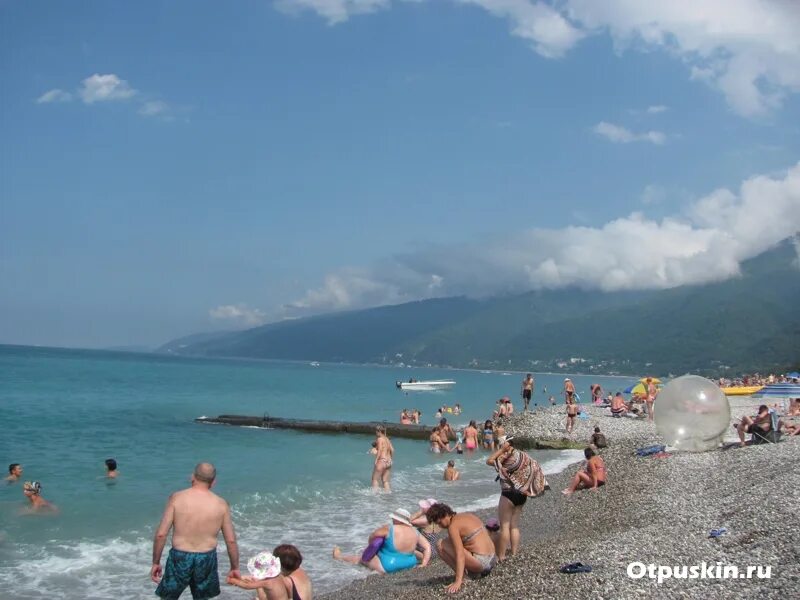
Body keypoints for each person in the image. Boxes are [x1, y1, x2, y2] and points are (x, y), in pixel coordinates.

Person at [151, 462, 240, 600]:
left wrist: (156, 562)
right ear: (213, 482)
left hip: (180, 557)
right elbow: (231, 540)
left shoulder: (177, 498)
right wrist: (235, 567)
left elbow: (161, 534)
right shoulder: (221, 504)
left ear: (192, 477)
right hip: (206, 558)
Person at [487, 436, 547, 560]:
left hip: (508, 494)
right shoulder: (524, 457)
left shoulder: (505, 458)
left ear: (507, 444)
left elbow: (489, 460)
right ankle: (514, 553)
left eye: (503, 444)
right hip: (522, 494)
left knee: (504, 526)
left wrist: (502, 450)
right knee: (514, 526)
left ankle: (502, 556)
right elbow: (535, 468)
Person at [425, 503, 497, 594]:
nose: (440, 526)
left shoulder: (453, 526)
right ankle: (468, 574)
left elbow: (460, 554)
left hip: (482, 563)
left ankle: (463, 577)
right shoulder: (467, 516)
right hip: (493, 558)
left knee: (440, 544)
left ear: (446, 514)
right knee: (449, 541)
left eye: (440, 522)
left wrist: (458, 581)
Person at [333, 509, 431, 574]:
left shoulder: (389, 528)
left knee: (361, 559)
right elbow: (427, 547)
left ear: (398, 520)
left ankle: (339, 557)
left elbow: (372, 537)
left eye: (394, 519)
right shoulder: (415, 531)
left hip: (388, 566)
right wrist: (424, 563)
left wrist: (372, 548)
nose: (392, 520)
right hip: (410, 564)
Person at [372, 426, 394, 491]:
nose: (376, 433)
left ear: (379, 431)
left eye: (376, 432)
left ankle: (375, 496)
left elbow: (380, 450)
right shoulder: (387, 439)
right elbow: (392, 450)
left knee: (375, 479)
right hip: (389, 461)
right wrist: (390, 459)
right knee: (385, 481)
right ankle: (388, 495)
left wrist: (376, 460)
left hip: (382, 460)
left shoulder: (380, 439)